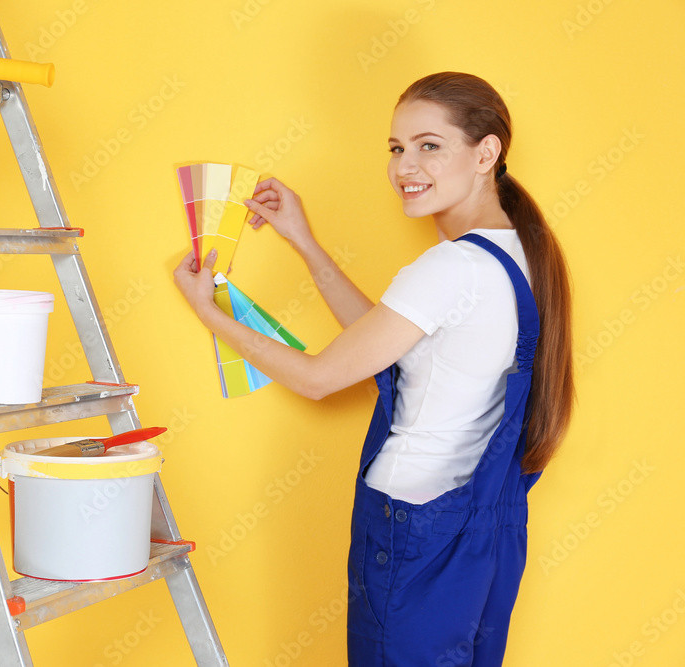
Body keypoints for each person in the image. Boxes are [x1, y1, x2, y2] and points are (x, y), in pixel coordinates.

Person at [173, 72, 574, 665]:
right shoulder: (524, 252)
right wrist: (304, 242)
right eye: (396, 148)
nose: (404, 166)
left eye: (429, 145)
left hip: (413, 530)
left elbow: (317, 378)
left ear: (486, 153)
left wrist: (209, 312)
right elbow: (385, 343)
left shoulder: (450, 267)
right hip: (485, 531)